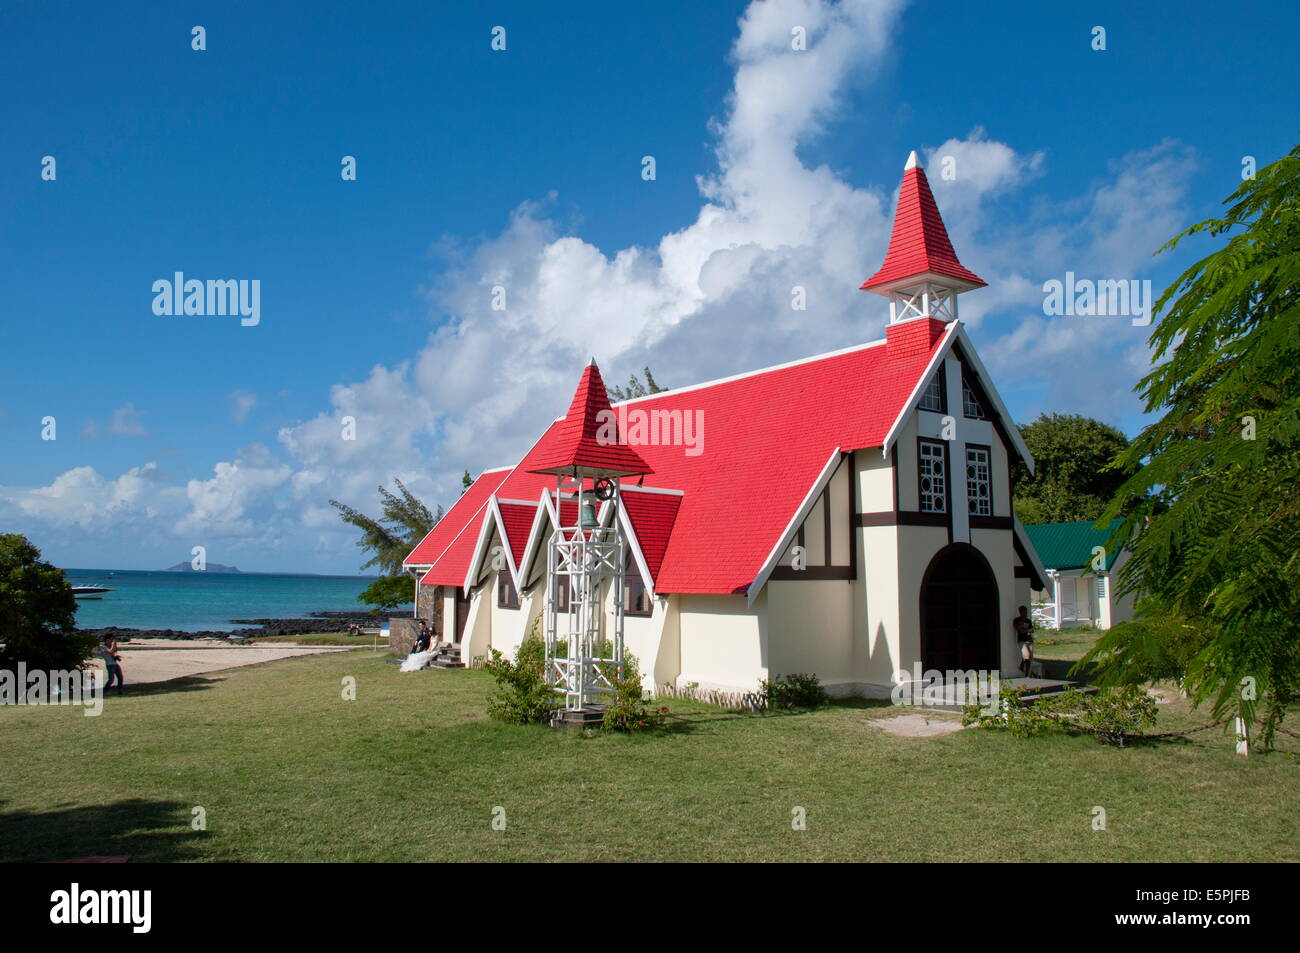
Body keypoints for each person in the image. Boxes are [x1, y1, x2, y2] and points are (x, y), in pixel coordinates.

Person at [1012, 605, 1035, 677]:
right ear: (1020, 612)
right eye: (1023, 612)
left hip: (1029, 640)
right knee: (1026, 656)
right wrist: (1023, 628)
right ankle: (1026, 673)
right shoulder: (1017, 620)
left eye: (1026, 612)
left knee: (1028, 657)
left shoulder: (1028, 621)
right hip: (1022, 640)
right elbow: (1017, 628)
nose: (1025, 613)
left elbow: (1032, 630)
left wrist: (1026, 630)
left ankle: (1024, 669)